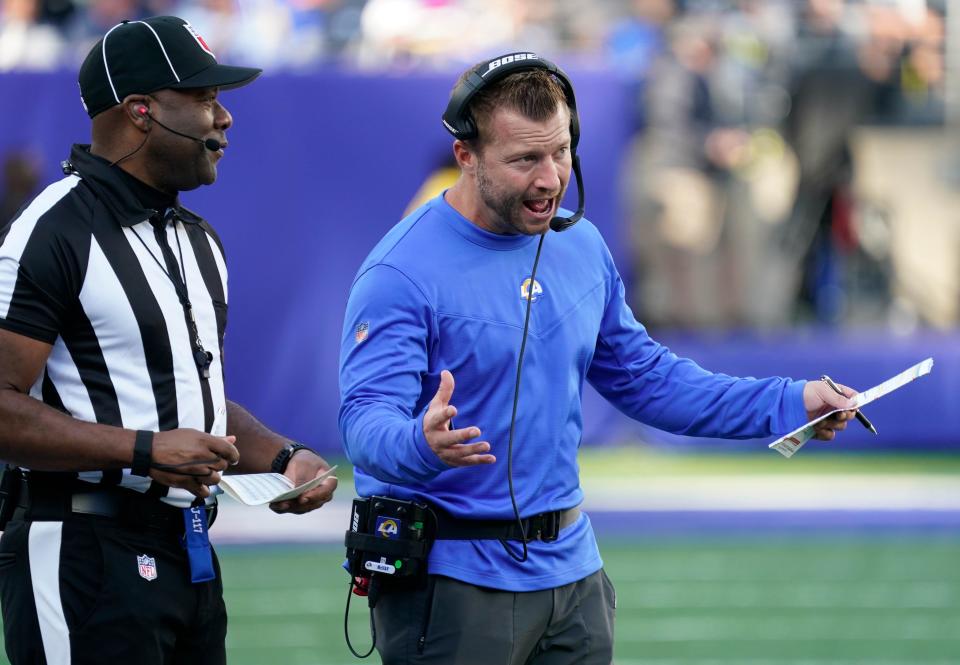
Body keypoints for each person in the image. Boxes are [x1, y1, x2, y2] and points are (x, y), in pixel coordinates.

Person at [338, 52, 859, 665]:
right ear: (467, 156)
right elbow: (364, 423)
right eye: (524, 159)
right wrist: (419, 445)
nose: (550, 177)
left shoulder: (579, 244)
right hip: (453, 583)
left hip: (573, 575)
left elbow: (648, 380)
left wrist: (789, 402)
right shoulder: (400, 271)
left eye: (560, 151)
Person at [0, 16, 337, 665]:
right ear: (142, 112)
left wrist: (281, 457)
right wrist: (143, 450)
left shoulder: (195, 239)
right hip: (81, 549)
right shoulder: (51, 231)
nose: (225, 118)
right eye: (206, 99)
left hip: (186, 552)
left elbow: (186, 402)